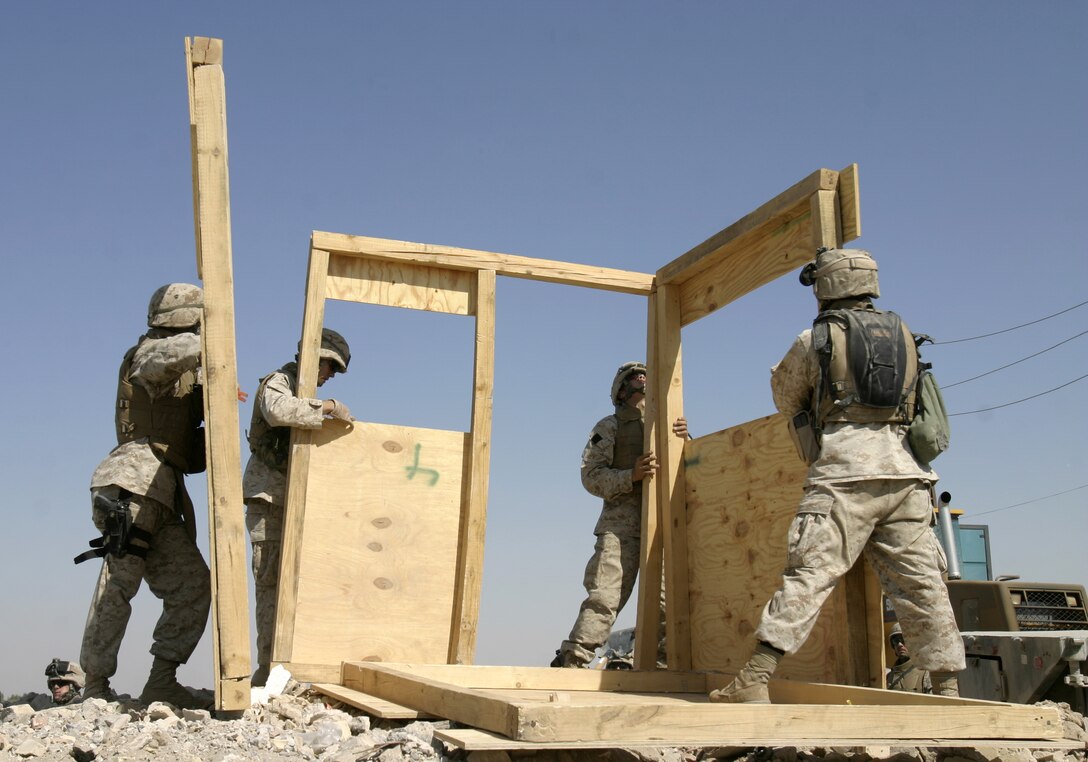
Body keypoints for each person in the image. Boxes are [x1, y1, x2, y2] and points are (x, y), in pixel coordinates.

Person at [709, 248, 965, 704]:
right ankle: (948, 689)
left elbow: (785, 397)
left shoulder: (817, 339)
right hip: (907, 475)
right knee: (923, 587)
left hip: (844, 475)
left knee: (808, 574)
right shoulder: (905, 334)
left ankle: (754, 679)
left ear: (825, 287)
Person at [78, 283, 212, 709]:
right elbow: (164, 360)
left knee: (192, 585)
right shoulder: (151, 351)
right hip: (133, 483)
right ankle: (95, 685)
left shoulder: (186, 365)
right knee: (119, 583)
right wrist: (214, 338)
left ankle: (161, 680)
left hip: (163, 491)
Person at [551, 361, 689, 669]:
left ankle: (646, 662)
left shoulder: (669, 424)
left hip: (665, 523)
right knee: (605, 595)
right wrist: (631, 475)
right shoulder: (609, 427)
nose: (642, 380)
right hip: (621, 526)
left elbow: (694, 470)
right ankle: (573, 658)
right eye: (634, 378)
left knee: (668, 601)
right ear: (622, 391)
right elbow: (591, 476)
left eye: (646, 376)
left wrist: (685, 441)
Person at [243, 328, 353, 686]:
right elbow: (276, 411)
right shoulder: (280, 382)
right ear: (311, 357)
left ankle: (290, 672)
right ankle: (267, 672)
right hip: (269, 500)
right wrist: (327, 407)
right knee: (271, 587)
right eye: (328, 366)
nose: (329, 376)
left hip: (299, 503)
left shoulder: (304, 396)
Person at [886, 623, 932, 693]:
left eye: (903, 639)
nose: (899, 644)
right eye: (895, 641)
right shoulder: (888, 678)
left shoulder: (926, 673)